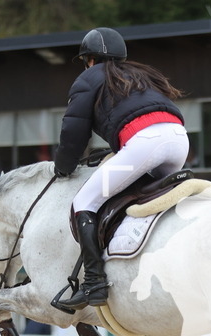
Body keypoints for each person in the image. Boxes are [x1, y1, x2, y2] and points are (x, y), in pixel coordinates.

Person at [53, 27, 189, 310]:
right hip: (178, 139)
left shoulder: (88, 77)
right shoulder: (142, 74)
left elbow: (74, 131)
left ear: (90, 59)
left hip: (145, 143)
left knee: (83, 202)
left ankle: (94, 283)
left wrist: (63, 167)